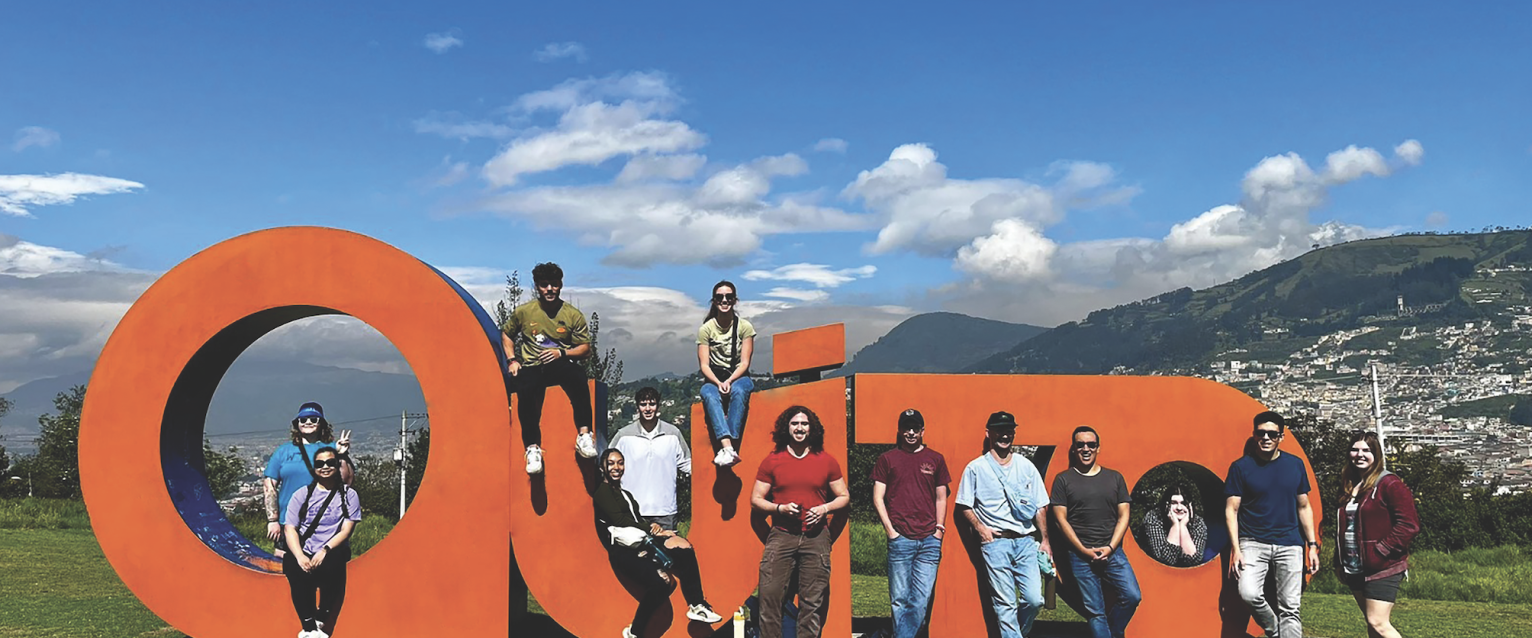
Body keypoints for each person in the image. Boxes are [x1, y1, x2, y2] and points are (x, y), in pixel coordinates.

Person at [594, 448, 724, 637]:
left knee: (684, 547)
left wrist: (653, 527)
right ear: (602, 467)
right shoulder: (602, 492)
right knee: (663, 583)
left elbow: (635, 519)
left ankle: (697, 605)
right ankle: (634, 633)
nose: (617, 467)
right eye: (611, 463)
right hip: (624, 551)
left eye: (620, 462)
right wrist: (653, 530)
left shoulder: (626, 494)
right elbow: (620, 521)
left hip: (643, 542)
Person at [751, 406, 850, 638]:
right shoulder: (772, 461)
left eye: (804, 424)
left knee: (812, 603)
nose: (799, 428)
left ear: (811, 428)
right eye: (795, 423)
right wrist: (779, 508)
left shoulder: (826, 461)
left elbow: (844, 497)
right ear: (787, 428)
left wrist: (825, 508)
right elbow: (755, 500)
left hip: (816, 537)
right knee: (769, 597)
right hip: (781, 534)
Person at [954, 411, 1052, 638]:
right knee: (1005, 603)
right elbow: (964, 505)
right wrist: (981, 529)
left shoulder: (1026, 466)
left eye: (1009, 431)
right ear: (989, 433)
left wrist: (1045, 540)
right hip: (995, 543)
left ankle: (1016, 633)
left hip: (1026, 541)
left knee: (1035, 600)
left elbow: (1040, 505)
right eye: (999, 430)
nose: (1004, 435)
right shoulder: (976, 468)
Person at [1225, 411, 1319, 638]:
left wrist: (1312, 545)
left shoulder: (1295, 465)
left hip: (1290, 543)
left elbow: (1304, 506)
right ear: (1254, 434)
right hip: (1252, 542)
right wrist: (1236, 549)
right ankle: (1273, 629)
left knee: (1290, 606)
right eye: (1261, 433)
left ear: (1281, 437)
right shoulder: (1241, 467)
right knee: (1248, 593)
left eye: (1272, 434)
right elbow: (1231, 509)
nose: (1266, 438)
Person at [502, 262, 597, 474]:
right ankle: (532, 449)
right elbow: (507, 334)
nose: (550, 289)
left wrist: (562, 353)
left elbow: (585, 349)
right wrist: (512, 360)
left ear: (560, 285)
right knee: (524, 388)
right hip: (532, 366)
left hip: (559, 364)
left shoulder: (573, 315)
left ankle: (584, 435)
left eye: (554, 284)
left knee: (578, 376)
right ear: (537, 286)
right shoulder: (524, 312)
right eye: (544, 285)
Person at [1049, 426, 1140, 638]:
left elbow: (1124, 515)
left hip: (1113, 553)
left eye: (1091, 444)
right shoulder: (1063, 480)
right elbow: (1060, 520)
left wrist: (1110, 547)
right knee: (1095, 611)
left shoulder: (1114, 478)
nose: (1086, 449)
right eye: (1080, 445)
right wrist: (1083, 550)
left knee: (1132, 596)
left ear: (1098, 448)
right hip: (1080, 556)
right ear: (1074, 449)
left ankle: (1113, 632)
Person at [871, 409, 950, 638]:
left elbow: (941, 497)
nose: (911, 432)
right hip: (900, 539)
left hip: (929, 540)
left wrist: (938, 530)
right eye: (907, 428)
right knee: (899, 600)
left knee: (920, 599)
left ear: (923, 431)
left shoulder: (935, 459)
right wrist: (890, 531)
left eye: (915, 428)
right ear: (900, 430)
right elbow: (878, 497)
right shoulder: (887, 459)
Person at [1335, 431, 1419, 638]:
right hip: (1355, 566)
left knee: (1378, 622)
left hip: (1382, 566)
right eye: (1355, 449)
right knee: (1372, 626)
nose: (1360, 455)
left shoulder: (1389, 484)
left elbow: (1409, 525)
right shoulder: (1351, 485)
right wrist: (1338, 560)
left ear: (1377, 455)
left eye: (1367, 450)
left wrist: (1381, 550)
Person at [282, 446, 361, 638]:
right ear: (314, 468)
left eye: (330, 462)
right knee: (293, 567)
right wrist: (300, 555)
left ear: (336, 464)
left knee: (334, 566)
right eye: (320, 464)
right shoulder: (302, 494)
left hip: (332, 548)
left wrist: (325, 549)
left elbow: (347, 530)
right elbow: (289, 528)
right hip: (306, 548)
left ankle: (320, 619)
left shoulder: (349, 495)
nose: (325, 467)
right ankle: (309, 627)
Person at [264, 402, 352, 558]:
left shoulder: (332, 448)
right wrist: (273, 519)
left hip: (326, 521)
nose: (308, 423)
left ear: (321, 424)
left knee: (326, 563)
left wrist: (341, 455)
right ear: (297, 424)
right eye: (303, 420)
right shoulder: (284, 451)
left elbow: (346, 481)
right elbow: (269, 485)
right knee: (284, 563)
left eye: (313, 419)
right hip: (289, 520)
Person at [608, 386, 692, 530]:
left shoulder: (673, 433)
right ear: (637, 407)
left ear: (658, 406)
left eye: (652, 404)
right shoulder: (623, 435)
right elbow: (607, 466)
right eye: (643, 404)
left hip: (666, 512)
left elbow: (689, 466)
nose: (648, 409)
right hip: (632, 511)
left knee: (669, 552)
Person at [697, 280, 755, 467]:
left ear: (735, 300)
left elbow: (745, 362)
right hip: (714, 377)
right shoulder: (706, 329)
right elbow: (704, 365)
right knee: (708, 394)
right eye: (720, 297)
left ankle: (729, 446)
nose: (724, 300)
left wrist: (730, 380)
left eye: (728, 297)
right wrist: (718, 382)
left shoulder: (744, 327)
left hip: (739, 375)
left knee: (739, 391)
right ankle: (728, 447)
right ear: (714, 301)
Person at [1141, 484, 1208, 567]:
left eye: (1184, 503)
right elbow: (1166, 560)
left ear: (1190, 506)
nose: (1179, 508)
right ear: (1167, 505)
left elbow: (1193, 560)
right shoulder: (1154, 518)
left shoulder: (1197, 522)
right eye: (1174, 503)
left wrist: (1183, 526)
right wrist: (1175, 525)